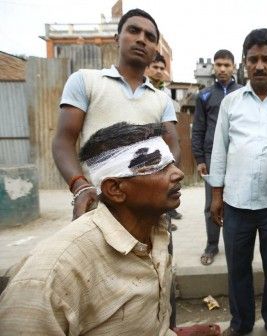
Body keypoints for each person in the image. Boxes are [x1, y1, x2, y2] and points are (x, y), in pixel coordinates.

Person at [0, 122, 184, 335]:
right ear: (115, 189)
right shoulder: (50, 276)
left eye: (171, 163)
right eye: (158, 166)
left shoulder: (156, 234)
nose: (178, 173)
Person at [208, 29, 267, 336]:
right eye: (253, 59)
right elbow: (220, 149)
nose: (259, 65)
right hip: (236, 203)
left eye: (266, 59)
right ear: (244, 63)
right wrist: (216, 194)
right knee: (237, 269)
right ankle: (241, 324)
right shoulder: (231, 103)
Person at [52, 8, 180, 220]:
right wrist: (80, 186)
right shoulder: (85, 81)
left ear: (155, 48)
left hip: (149, 208)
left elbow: (173, 145)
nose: (141, 39)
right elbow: (63, 141)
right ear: (116, 39)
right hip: (100, 208)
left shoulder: (162, 99)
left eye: (149, 37)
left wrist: (160, 183)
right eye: (133, 31)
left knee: (157, 253)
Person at [191, 49, 242, 266]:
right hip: (212, 157)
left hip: (238, 155)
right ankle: (212, 245)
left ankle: (236, 245)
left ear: (234, 68)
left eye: (226, 65)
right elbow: (198, 129)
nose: (222, 69)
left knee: (236, 203)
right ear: (213, 67)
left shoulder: (242, 93)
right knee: (212, 202)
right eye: (218, 64)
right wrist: (200, 158)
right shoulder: (204, 96)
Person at [145, 51, 183, 224]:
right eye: (155, 67)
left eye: (162, 68)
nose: (159, 71)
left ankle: (166, 219)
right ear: (147, 67)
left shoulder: (164, 93)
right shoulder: (144, 90)